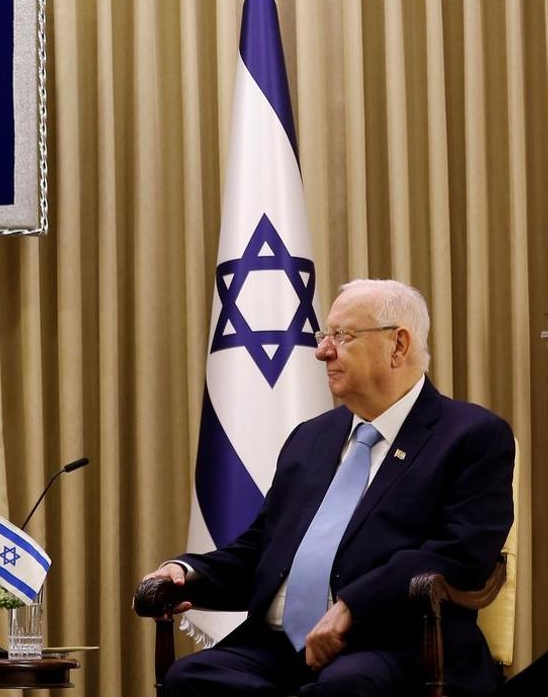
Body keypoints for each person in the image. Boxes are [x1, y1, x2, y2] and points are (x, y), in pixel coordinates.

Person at [143, 279, 514, 696]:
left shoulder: (471, 435)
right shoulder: (311, 438)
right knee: (191, 679)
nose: (323, 351)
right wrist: (186, 572)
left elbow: (461, 554)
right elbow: (262, 548)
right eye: (325, 336)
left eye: (342, 336)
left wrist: (354, 605)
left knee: (345, 687)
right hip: (277, 646)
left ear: (399, 345)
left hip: (397, 642)